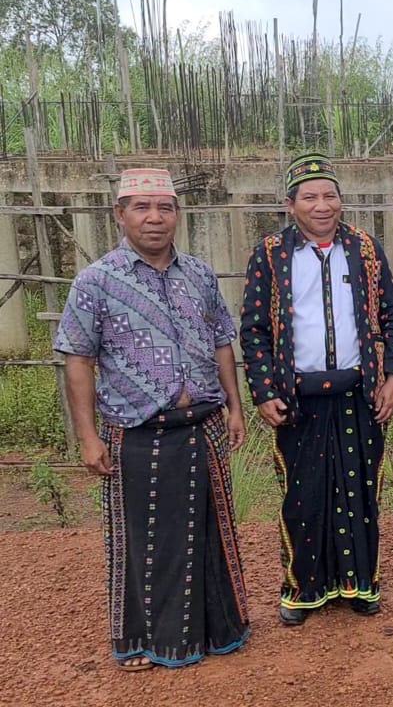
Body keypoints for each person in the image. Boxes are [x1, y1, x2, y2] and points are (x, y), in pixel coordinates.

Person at [55, 168, 250, 670]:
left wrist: (235, 406)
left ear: (177, 216)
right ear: (120, 215)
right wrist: (87, 437)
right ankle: (144, 642)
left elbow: (223, 341)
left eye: (165, 208)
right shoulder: (95, 281)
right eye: (141, 208)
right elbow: (78, 359)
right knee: (143, 543)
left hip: (203, 425)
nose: (155, 218)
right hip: (138, 432)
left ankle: (219, 631)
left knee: (212, 532)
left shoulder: (201, 275)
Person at [240, 153, 393, 625]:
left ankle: (361, 584)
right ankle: (302, 588)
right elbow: (252, 328)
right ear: (290, 203)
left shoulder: (366, 249)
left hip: (361, 394)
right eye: (309, 196)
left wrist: (392, 376)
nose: (321, 205)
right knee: (302, 493)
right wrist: (262, 389)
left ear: (342, 200)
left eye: (329, 195)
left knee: (360, 491)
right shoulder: (270, 254)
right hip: (297, 398)